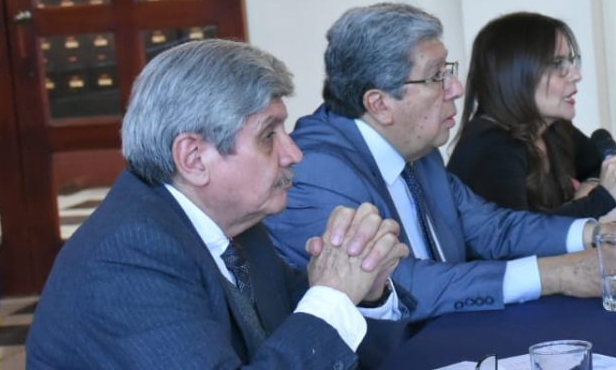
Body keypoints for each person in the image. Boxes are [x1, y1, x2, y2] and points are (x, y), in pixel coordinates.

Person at [264, 3, 616, 349]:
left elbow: (492, 228)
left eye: (449, 70)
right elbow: (400, 282)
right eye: (437, 76)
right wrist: (558, 273)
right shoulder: (315, 170)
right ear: (379, 104)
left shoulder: (417, 148)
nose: (457, 88)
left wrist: (601, 234)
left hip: (456, 336)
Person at [26, 39, 410, 369]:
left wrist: (365, 285)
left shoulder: (237, 224)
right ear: (193, 158)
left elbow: (316, 338)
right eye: (268, 135)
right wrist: (334, 296)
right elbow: (320, 318)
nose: (293, 153)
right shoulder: (127, 256)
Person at [448, 12, 616, 218]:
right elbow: (521, 233)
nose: (576, 75)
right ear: (515, 75)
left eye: (570, 61)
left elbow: (596, 166)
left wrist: (591, 186)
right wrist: (600, 199)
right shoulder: (491, 148)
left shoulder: (551, 128)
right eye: (557, 64)